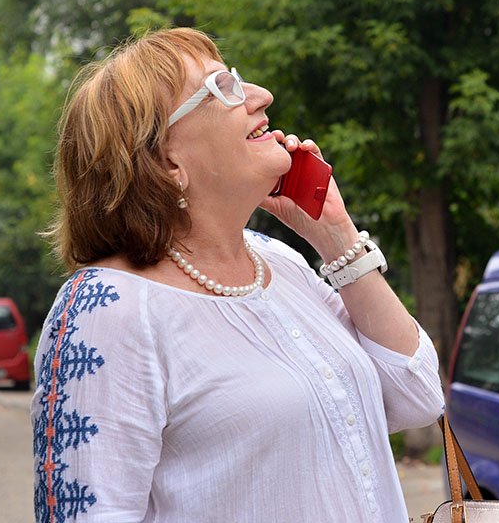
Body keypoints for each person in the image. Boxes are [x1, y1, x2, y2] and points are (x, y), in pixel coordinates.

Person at [31, 28, 444, 522]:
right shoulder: (106, 310)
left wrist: (336, 235)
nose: (260, 96)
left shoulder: (281, 263)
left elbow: (417, 396)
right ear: (166, 162)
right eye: (221, 87)